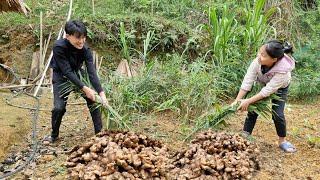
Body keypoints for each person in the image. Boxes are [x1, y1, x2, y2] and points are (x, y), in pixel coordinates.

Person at [44, 20, 108, 143]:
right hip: (61, 75)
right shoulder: (59, 47)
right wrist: (85, 88)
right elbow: (66, 71)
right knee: (58, 107)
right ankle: (54, 135)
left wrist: (101, 92)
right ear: (68, 36)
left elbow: (92, 72)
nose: (81, 41)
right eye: (78, 38)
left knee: (93, 100)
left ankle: (99, 134)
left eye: (84, 37)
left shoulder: (85, 49)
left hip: (78, 73)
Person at [233, 40, 296, 153]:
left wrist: (248, 101)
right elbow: (248, 81)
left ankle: (282, 141)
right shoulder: (257, 62)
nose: (259, 56)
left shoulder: (283, 73)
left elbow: (267, 91)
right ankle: (245, 134)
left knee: (278, 114)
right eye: (259, 52)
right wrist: (237, 100)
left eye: (263, 55)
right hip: (263, 83)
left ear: (274, 59)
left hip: (279, 87)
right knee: (253, 108)